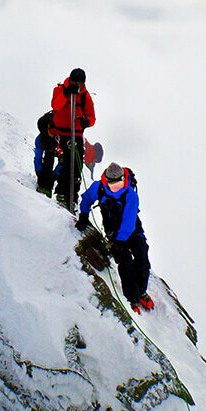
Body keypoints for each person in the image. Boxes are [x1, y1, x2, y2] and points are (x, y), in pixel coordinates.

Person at [76, 162, 153, 314]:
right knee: (124, 262)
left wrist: (120, 241)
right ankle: (132, 298)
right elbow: (86, 199)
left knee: (142, 256)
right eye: (114, 185)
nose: (118, 188)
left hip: (132, 230)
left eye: (120, 184)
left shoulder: (130, 194)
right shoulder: (98, 188)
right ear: (107, 182)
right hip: (113, 232)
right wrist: (83, 215)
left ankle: (141, 291)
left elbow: (129, 221)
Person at [49, 68, 96, 207]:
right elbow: (55, 105)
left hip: (77, 134)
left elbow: (92, 117)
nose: (77, 85)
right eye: (75, 82)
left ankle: (73, 197)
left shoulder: (85, 97)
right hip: (61, 133)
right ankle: (62, 194)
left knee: (76, 166)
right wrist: (66, 93)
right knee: (65, 162)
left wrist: (87, 122)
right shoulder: (60, 90)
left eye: (80, 83)